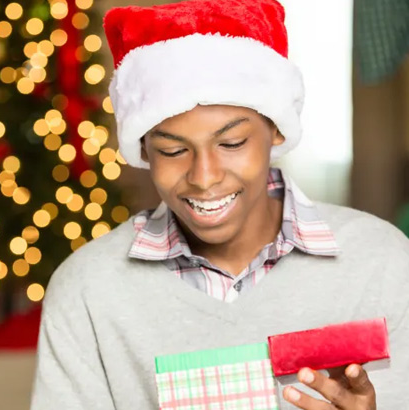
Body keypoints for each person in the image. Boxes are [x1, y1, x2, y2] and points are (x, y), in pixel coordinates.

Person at [30, 0, 409, 409]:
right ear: (143, 149)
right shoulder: (88, 290)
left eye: (231, 143)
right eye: (173, 150)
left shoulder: (381, 262)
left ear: (277, 128)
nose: (205, 176)